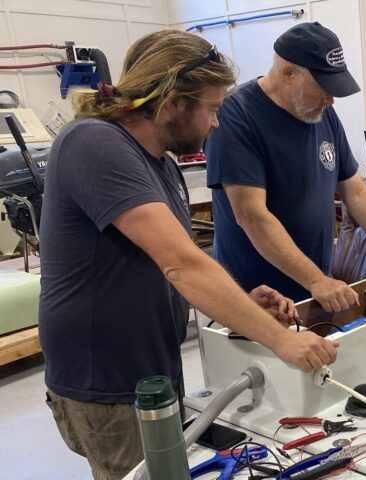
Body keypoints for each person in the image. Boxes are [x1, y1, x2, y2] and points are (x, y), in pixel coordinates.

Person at [38, 30, 339, 480]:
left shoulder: (158, 160)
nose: (216, 123)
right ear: (172, 102)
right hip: (105, 382)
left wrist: (241, 298)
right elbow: (182, 264)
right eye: (212, 108)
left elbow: (172, 259)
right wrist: (282, 341)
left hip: (151, 368)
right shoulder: (93, 143)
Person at [206, 22, 366, 313]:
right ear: (288, 73)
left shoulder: (322, 115)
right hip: (256, 297)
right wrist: (317, 279)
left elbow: (355, 192)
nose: (331, 100)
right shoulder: (235, 116)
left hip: (311, 289)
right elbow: (251, 215)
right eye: (322, 88)